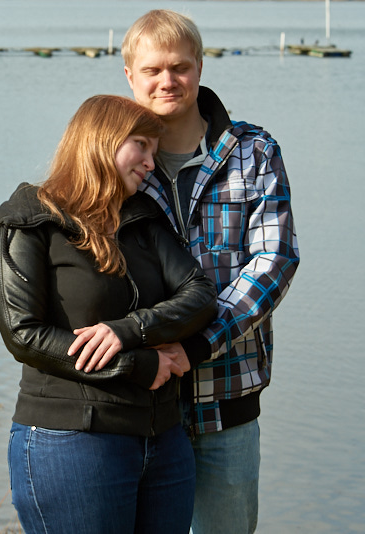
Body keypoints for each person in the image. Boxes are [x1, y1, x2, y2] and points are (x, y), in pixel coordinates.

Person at [0, 94, 218, 534]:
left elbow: (201, 294)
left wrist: (128, 329)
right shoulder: (29, 221)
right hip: (72, 442)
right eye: (142, 146)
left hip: (165, 443)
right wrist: (138, 365)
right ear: (102, 140)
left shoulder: (144, 219)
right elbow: (23, 334)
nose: (152, 162)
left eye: (154, 149)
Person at [120, 10, 300, 534]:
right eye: (152, 70)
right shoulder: (111, 162)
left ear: (200, 66)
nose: (166, 81)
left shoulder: (254, 152)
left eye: (179, 66)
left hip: (228, 401)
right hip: (137, 407)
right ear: (130, 75)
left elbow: (274, 261)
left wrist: (198, 345)